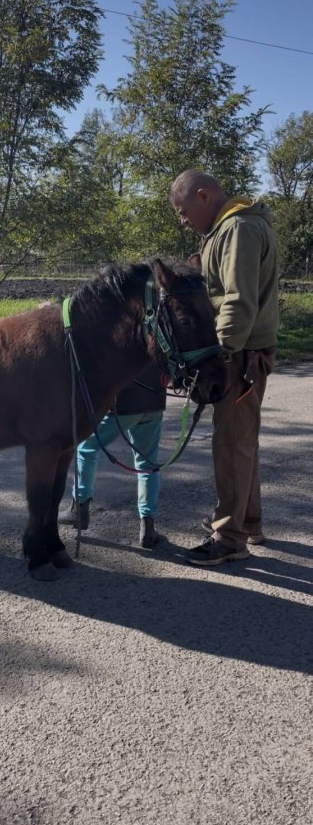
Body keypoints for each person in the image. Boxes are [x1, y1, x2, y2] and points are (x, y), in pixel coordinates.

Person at [169, 169, 279, 566]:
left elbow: (237, 300)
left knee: (230, 444)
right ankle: (247, 522)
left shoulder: (236, 230)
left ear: (203, 196)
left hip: (238, 356)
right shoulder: (229, 229)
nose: (183, 221)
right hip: (247, 353)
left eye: (182, 211)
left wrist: (223, 353)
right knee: (241, 440)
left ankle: (229, 538)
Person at [59, 363, 168, 548]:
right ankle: (148, 528)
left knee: (87, 447)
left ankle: (80, 508)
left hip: (123, 402)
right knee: (147, 463)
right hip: (154, 400)